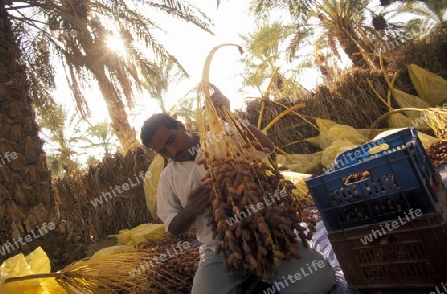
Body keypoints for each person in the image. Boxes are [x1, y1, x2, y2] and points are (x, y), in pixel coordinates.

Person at [140, 85, 336, 294]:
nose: (173, 151)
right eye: (163, 151)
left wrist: (230, 116)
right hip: (219, 249)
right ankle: (251, 278)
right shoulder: (167, 178)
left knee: (319, 282)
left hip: (265, 232)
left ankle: (257, 277)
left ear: (180, 126)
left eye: (171, 140)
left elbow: (267, 149)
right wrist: (191, 209)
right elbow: (172, 226)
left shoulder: (221, 137)